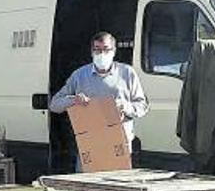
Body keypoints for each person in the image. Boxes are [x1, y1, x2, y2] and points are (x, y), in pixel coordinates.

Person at [49, 31, 149, 168]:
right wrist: (73, 100)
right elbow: (54, 104)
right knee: (86, 187)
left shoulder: (127, 73)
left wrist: (124, 106)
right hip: (89, 145)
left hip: (119, 145)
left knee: (118, 187)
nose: (101, 54)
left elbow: (142, 106)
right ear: (91, 52)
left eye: (106, 49)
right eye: (97, 50)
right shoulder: (79, 75)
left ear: (113, 51)